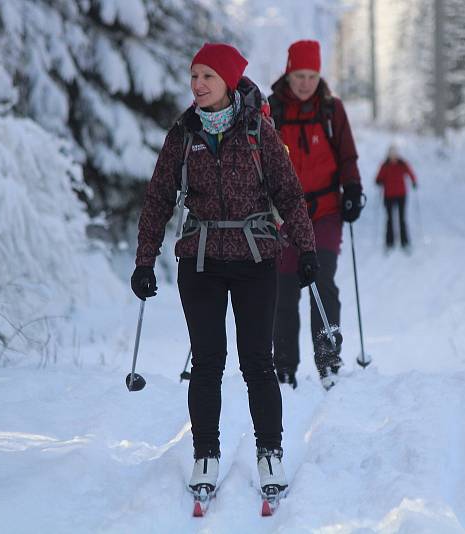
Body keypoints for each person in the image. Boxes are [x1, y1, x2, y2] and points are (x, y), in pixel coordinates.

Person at [130, 43, 317, 502]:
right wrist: (144, 259)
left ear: (228, 82)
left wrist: (306, 249)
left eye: (207, 77)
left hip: (255, 259)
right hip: (201, 261)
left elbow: (289, 193)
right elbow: (158, 198)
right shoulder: (184, 133)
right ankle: (205, 454)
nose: (197, 85)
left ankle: (270, 452)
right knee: (207, 363)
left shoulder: (257, 130)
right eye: (194, 75)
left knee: (258, 362)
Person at [268, 40, 364, 390]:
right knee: (284, 289)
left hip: (324, 210)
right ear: (289, 72)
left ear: (319, 75)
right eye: (299, 75)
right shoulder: (271, 110)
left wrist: (352, 189)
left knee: (322, 282)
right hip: (281, 214)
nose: (305, 83)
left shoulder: (331, 110)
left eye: (311, 76)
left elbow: (347, 156)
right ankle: (283, 368)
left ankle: (328, 362)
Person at [375, 144, 417, 250]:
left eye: (395, 155)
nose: (393, 157)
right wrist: (379, 181)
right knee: (389, 219)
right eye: (391, 155)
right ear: (388, 155)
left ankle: (404, 242)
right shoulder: (385, 165)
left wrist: (413, 181)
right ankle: (389, 242)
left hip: (401, 195)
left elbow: (410, 173)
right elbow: (378, 177)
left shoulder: (402, 164)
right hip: (388, 196)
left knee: (402, 218)